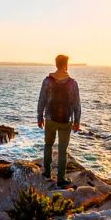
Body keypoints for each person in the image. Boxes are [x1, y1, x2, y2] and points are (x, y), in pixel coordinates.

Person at [37, 54, 81, 187]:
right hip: (65, 120)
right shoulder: (72, 83)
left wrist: (39, 117)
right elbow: (76, 104)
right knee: (63, 149)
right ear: (66, 65)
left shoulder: (47, 81)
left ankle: (47, 173)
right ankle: (61, 179)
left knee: (48, 145)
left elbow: (42, 100)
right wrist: (76, 122)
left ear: (56, 64)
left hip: (49, 118)